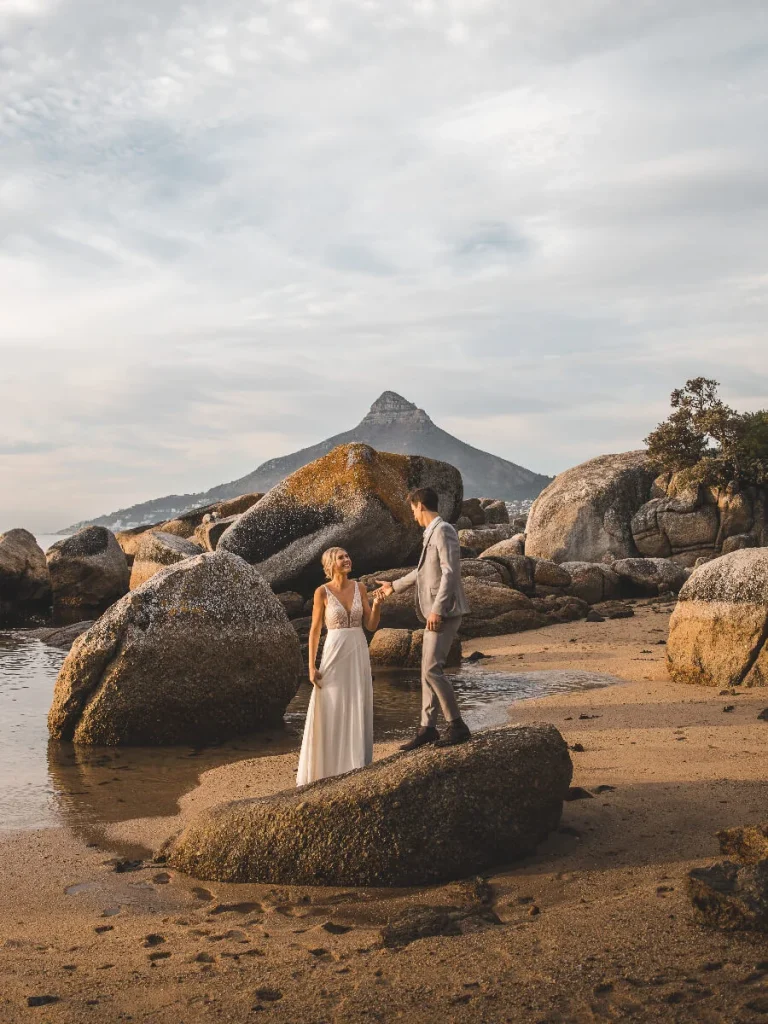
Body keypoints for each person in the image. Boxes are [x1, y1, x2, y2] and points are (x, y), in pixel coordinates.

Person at [374, 487, 471, 749]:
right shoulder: (431, 533)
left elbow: (450, 573)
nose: (413, 515)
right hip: (435, 610)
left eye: (412, 510)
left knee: (431, 669)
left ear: (419, 506)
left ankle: (457, 725)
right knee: (426, 669)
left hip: (445, 610)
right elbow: (422, 573)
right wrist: (393, 586)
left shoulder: (444, 530)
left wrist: (437, 609)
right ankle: (427, 728)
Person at [296, 547, 382, 786]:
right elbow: (314, 631)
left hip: (357, 650)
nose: (347, 559)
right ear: (331, 564)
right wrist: (311, 666)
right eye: (342, 557)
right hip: (334, 652)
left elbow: (371, 625)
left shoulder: (360, 588)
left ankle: (354, 764)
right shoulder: (321, 592)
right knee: (330, 704)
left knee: (356, 701)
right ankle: (327, 767)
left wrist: (376, 605)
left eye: (348, 555)